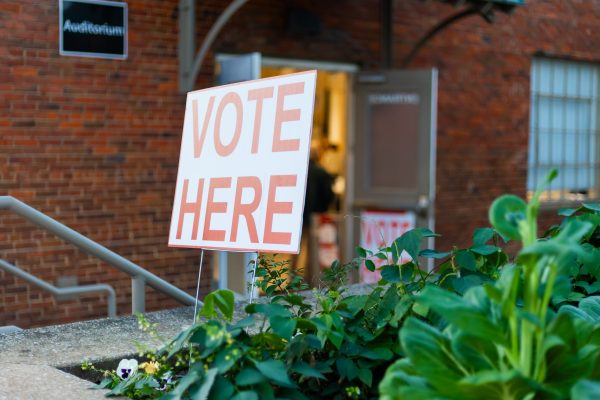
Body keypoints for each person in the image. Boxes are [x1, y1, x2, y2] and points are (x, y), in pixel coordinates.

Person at [295, 140, 334, 282]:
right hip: (316, 216)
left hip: (298, 215)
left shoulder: (298, 170)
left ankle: (292, 278)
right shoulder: (322, 172)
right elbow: (329, 195)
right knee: (312, 248)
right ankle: (309, 278)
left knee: (296, 248)